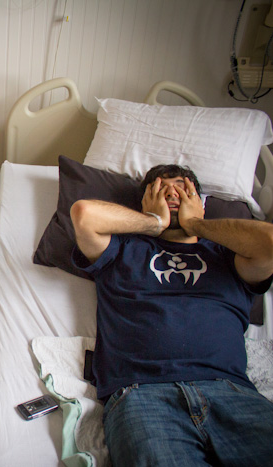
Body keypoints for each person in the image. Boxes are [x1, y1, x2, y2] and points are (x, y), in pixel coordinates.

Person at [69, 164, 273, 466]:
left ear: (199, 201)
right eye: (160, 188)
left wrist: (196, 224)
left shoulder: (227, 254)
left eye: (182, 187)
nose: (172, 193)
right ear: (145, 201)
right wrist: (153, 222)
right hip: (143, 395)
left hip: (232, 392)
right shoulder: (123, 249)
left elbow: (269, 242)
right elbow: (84, 214)